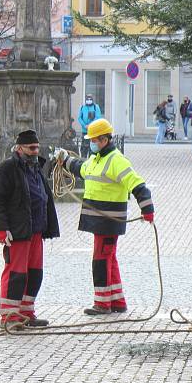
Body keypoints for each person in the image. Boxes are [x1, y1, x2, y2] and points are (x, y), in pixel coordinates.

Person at [55, 119, 155, 315]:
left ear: (103, 140)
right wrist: (65, 159)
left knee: (101, 259)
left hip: (108, 220)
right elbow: (81, 168)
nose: (90, 143)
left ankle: (102, 303)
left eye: (93, 140)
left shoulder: (116, 160)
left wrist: (147, 209)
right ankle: (117, 301)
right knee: (109, 258)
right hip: (99, 219)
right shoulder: (97, 159)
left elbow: (138, 185)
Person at [0, 129, 60, 329]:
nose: (35, 151)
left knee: (34, 273)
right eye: (31, 148)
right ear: (20, 148)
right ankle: (10, 317)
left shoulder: (35, 168)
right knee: (16, 274)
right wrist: (1, 228)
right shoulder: (8, 168)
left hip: (36, 231)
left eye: (37, 147)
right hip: (18, 232)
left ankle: (27, 312)